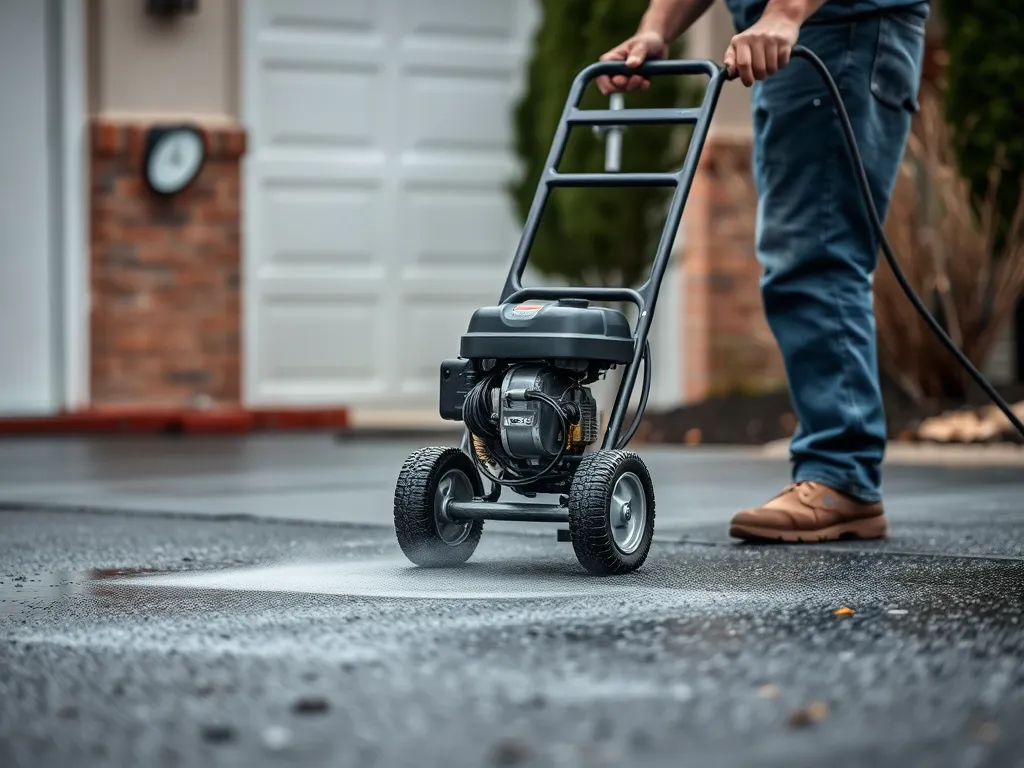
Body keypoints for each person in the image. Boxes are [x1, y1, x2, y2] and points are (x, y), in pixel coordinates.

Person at [597, 0, 929, 542]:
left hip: (838, 32)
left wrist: (786, 11)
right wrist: (656, 30)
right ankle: (840, 472)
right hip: (797, 38)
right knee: (798, 253)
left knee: (815, 252)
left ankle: (842, 477)